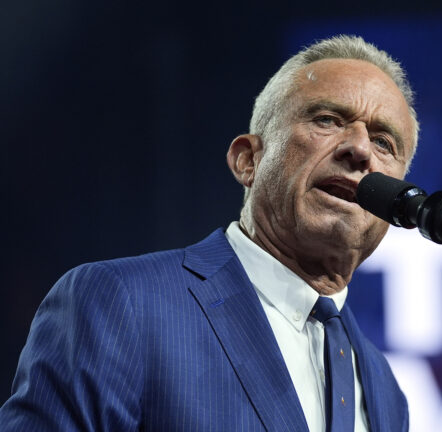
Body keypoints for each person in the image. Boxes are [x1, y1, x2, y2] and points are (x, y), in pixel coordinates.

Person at [0, 35, 418, 432]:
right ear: (247, 161)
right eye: (327, 120)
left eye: (384, 142)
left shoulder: (383, 386)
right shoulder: (119, 302)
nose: (360, 150)